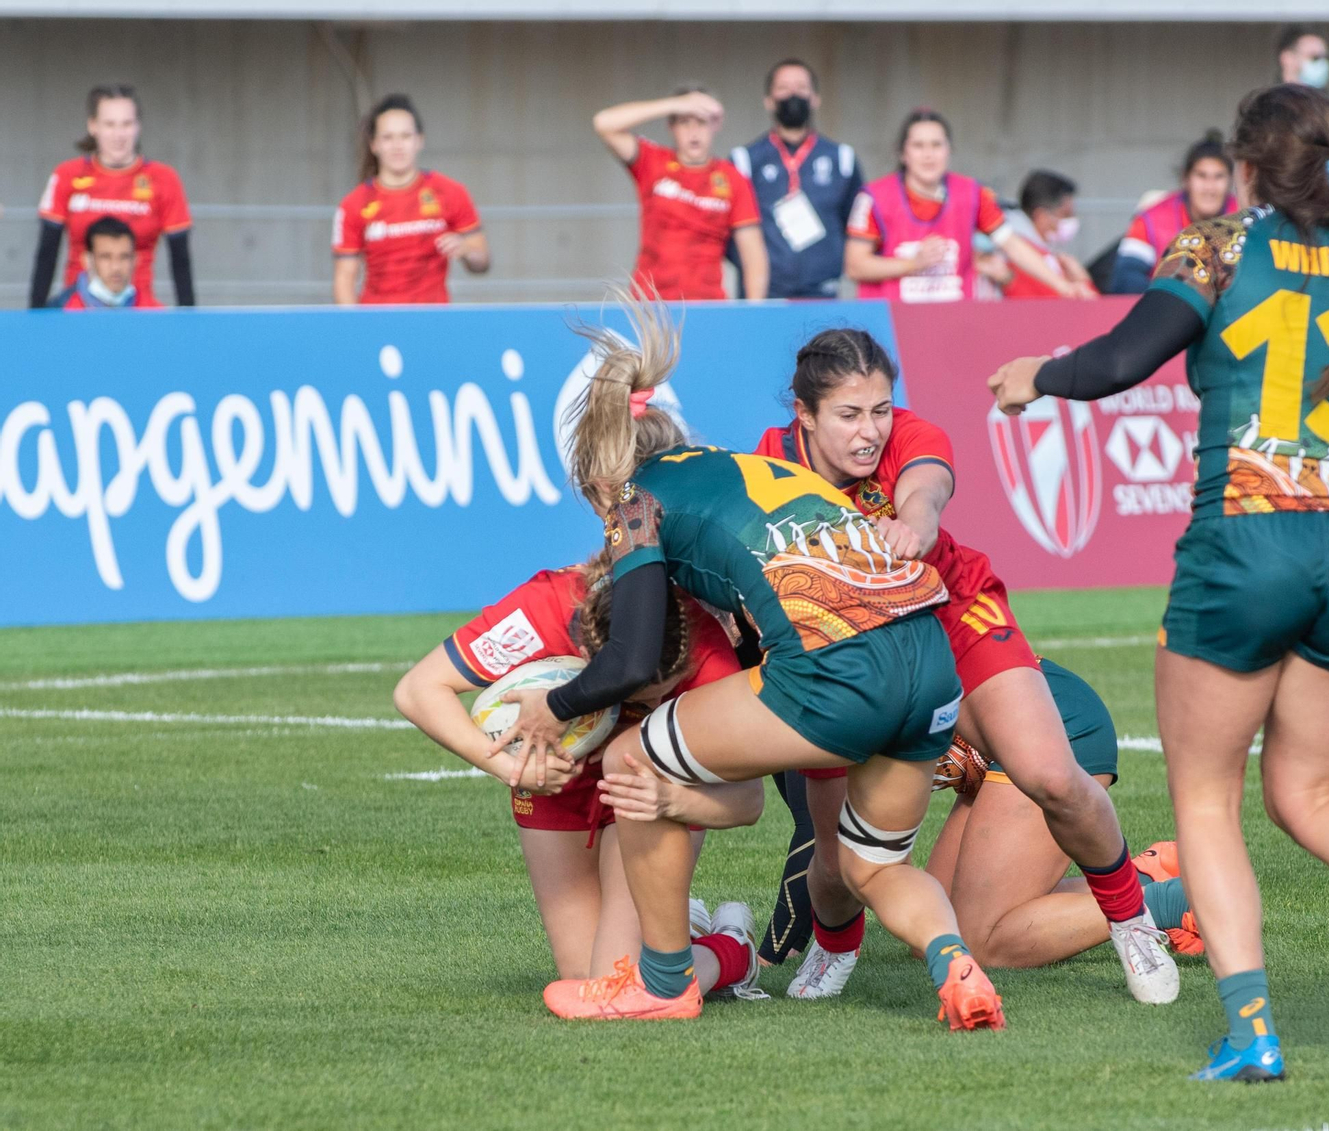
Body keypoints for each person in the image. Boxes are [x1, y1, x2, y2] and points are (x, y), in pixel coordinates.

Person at [988, 84, 1329, 1082]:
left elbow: (1118, 360)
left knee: (1204, 799)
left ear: (1247, 165)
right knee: (1312, 791)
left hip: (1245, 543)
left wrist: (1036, 376)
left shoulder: (1215, 245)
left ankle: (1252, 1034)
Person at [487, 297, 1003, 1029]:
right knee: (875, 866)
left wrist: (558, 704)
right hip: (929, 661)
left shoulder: (636, 504)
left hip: (842, 669)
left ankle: (663, 984)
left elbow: (634, 656)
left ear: (603, 478)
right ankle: (956, 963)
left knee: (636, 757)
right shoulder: (732, 465)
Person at [753, 329, 1178, 1005]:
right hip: (848, 654)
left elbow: (926, 488)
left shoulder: (906, 438)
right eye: (849, 414)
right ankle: (837, 947)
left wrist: (912, 523)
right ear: (803, 414)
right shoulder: (769, 468)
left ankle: (1134, 914)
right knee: (841, 861)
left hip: (955, 620)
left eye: (881, 410)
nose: (870, 432)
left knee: (1048, 777)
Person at [391, 561, 768, 1000]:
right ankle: (689, 930)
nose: (637, 703)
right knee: (580, 977)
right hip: (557, 783)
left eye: (652, 695)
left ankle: (731, 953)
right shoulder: (546, 607)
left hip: (646, 793)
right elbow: (417, 690)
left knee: (614, 987)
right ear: (591, 656)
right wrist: (511, 768)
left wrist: (670, 801)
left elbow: (749, 800)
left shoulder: (708, 657)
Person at [922, 662, 1203, 966]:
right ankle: (1142, 879)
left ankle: (1176, 900)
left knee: (978, 942)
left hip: (1045, 722)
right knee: (933, 926)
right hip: (1010, 721)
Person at [845, 109, 1076, 302]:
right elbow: (855, 266)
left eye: (936, 145)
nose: (928, 154)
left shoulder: (972, 194)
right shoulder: (874, 197)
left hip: (954, 324)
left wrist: (1063, 287)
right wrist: (913, 264)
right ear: (903, 153)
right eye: (918, 146)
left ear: (949, 150)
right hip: (892, 326)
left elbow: (1012, 245)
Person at [593, 88, 768, 301]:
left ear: (715, 125)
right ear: (671, 127)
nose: (693, 132)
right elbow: (604, 123)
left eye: (701, 122)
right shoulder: (652, 161)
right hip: (650, 304)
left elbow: (753, 255)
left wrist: (754, 310)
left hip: (707, 304)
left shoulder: (732, 178)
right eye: (684, 122)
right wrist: (674, 104)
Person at [31, 84, 193, 309]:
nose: (119, 135)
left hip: (139, 311)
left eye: (126, 124)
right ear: (93, 126)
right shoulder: (66, 175)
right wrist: (35, 317)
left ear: (138, 126)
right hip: (78, 311)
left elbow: (181, 261)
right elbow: (46, 254)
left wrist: (190, 319)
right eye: (109, 124)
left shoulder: (164, 178)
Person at [333, 94, 489, 305]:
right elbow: (344, 278)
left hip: (434, 320)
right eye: (388, 137)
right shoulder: (353, 204)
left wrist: (466, 250)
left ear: (419, 140)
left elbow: (482, 262)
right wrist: (356, 330)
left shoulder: (450, 192)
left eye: (405, 136)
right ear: (374, 145)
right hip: (378, 323)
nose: (397, 145)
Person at [729, 59, 863, 300]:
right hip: (763, 295)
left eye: (801, 87)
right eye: (783, 88)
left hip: (823, 294)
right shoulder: (744, 160)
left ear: (815, 98)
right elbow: (730, 232)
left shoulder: (842, 158)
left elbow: (855, 225)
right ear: (768, 100)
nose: (793, 94)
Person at [1107, 133, 1236, 295]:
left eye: (1218, 177)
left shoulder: (1248, 220)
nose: (1209, 188)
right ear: (1186, 179)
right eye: (1201, 176)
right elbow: (1125, 278)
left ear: (1230, 180)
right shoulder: (1150, 219)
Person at [988, 170, 1097, 300]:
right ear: (1041, 216)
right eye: (1065, 215)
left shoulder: (1049, 254)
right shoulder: (1024, 256)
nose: (1071, 221)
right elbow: (1071, 306)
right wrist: (1083, 279)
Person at [46, 216, 160, 310]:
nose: (116, 267)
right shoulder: (58, 312)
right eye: (106, 257)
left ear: (135, 260)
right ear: (87, 260)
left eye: (124, 257)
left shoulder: (154, 313)